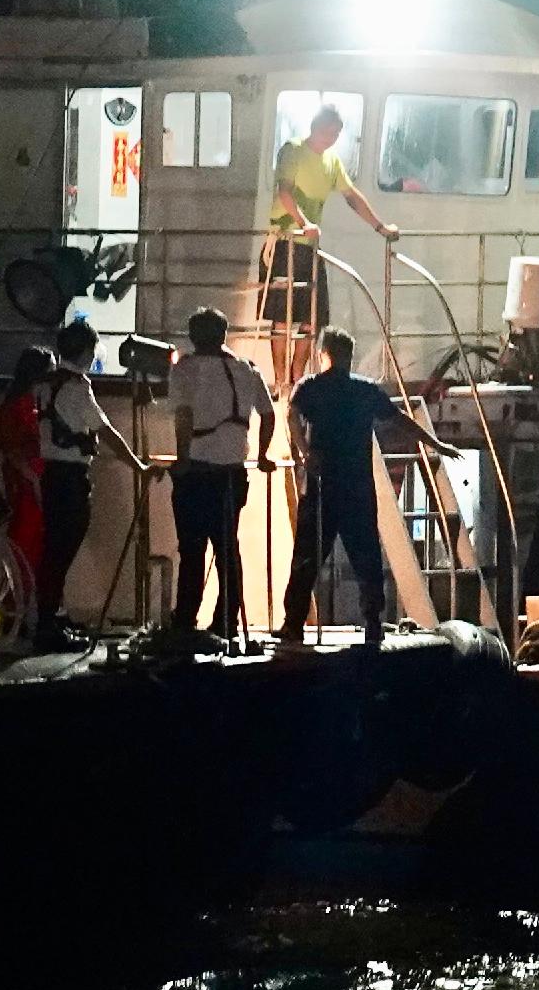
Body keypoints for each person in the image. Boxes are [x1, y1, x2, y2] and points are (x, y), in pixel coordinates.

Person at [280, 329, 437, 649]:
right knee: (366, 557)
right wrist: (435, 443)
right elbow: (399, 420)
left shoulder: (310, 387)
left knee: (307, 557)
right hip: (357, 486)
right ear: (350, 355)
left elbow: (291, 414)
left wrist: (303, 452)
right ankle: (372, 623)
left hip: (323, 485)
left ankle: (293, 624)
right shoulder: (365, 391)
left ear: (324, 353)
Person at [164, 309, 278, 643]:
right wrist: (261, 454)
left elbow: (183, 416)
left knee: (192, 549)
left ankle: (185, 619)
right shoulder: (246, 370)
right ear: (224, 335)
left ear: (194, 337)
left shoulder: (185, 369)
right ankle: (226, 621)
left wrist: (182, 457)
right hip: (232, 474)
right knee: (228, 550)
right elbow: (268, 414)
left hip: (196, 471)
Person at [33, 320, 138, 642]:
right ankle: (48, 624)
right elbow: (105, 432)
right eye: (92, 350)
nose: (94, 356)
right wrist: (137, 465)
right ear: (83, 351)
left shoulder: (45, 383)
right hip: (70, 478)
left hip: (50, 473)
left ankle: (53, 618)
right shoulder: (78, 387)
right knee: (61, 552)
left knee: (53, 551)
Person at [264, 99, 396, 329]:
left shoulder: (332, 161)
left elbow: (351, 196)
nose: (330, 137)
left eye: (335, 133)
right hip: (286, 241)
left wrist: (379, 226)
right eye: (327, 131)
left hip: (310, 245)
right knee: (282, 319)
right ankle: (282, 367)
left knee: (311, 319)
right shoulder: (293, 150)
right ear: (315, 127)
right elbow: (284, 192)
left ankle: (299, 367)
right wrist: (303, 222)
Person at [0, 344, 52, 614]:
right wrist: (35, 481)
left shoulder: (30, 404)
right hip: (26, 484)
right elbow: (14, 451)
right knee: (24, 544)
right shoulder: (20, 407)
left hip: (32, 480)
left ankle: (24, 606)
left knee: (35, 546)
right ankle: (12, 606)